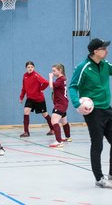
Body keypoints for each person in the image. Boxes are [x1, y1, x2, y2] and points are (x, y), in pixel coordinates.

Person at [69, 38, 112, 188]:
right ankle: (99, 178)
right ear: (96, 51)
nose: (106, 51)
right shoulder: (83, 67)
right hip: (93, 112)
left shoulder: (105, 65)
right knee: (97, 144)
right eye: (104, 48)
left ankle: (111, 176)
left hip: (108, 108)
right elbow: (73, 87)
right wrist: (77, 103)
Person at [19, 61, 54, 137]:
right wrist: (21, 97)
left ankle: (53, 129)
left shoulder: (36, 75)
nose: (30, 68)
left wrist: (40, 89)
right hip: (30, 98)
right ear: (26, 68)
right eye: (28, 67)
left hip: (39, 99)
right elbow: (24, 88)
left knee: (45, 114)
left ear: (33, 68)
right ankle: (26, 132)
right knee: (26, 111)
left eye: (31, 67)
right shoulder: (24, 76)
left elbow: (46, 83)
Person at [48, 64, 71, 148]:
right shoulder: (62, 79)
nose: (53, 72)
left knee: (54, 121)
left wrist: (50, 77)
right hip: (63, 103)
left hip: (60, 104)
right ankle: (68, 137)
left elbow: (51, 86)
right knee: (64, 121)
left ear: (60, 70)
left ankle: (58, 141)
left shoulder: (60, 79)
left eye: (54, 71)